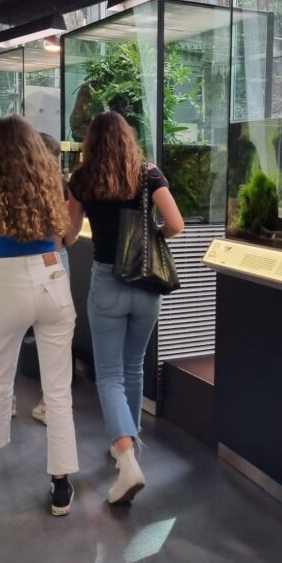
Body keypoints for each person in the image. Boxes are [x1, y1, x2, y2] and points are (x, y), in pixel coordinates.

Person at [65, 111, 184, 505]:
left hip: (108, 282)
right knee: (133, 367)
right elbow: (176, 224)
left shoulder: (82, 179)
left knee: (110, 374)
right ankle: (128, 442)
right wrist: (151, 237)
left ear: (91, 142)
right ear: (127, 138)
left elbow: (69, 234)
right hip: (147, 282)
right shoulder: (148, 173)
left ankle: (127, 460)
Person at [0, 115, 77, 517]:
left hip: (10, 282)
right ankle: (61, 484)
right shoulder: (49, 179)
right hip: (53, 277)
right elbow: (62, 238)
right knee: (59, 388)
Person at [27, 133, 72, 426]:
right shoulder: (60, 186)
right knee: (56, 338)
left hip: (20, 262)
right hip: (55, 261)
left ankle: (7, 399)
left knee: (11, 333)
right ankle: (48, 403)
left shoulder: (18, 184)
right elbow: (64, 235)